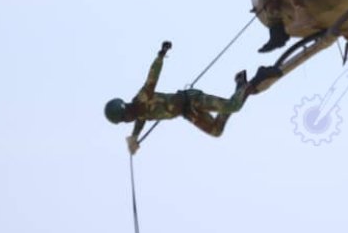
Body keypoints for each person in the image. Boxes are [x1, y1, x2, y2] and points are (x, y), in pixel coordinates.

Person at [104, 41, 250, 153]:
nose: (127, 120)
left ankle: (252, 82)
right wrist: (133, 141)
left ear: (126, 108)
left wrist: (160, 55)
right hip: (187, 112)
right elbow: (138, 127)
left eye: (125, 117)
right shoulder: (139, 116)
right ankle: (240, 86)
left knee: (234, 106)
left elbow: (152, 77)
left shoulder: (141, 100)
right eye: (124, 120)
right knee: (216, 130)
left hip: (192, 99)